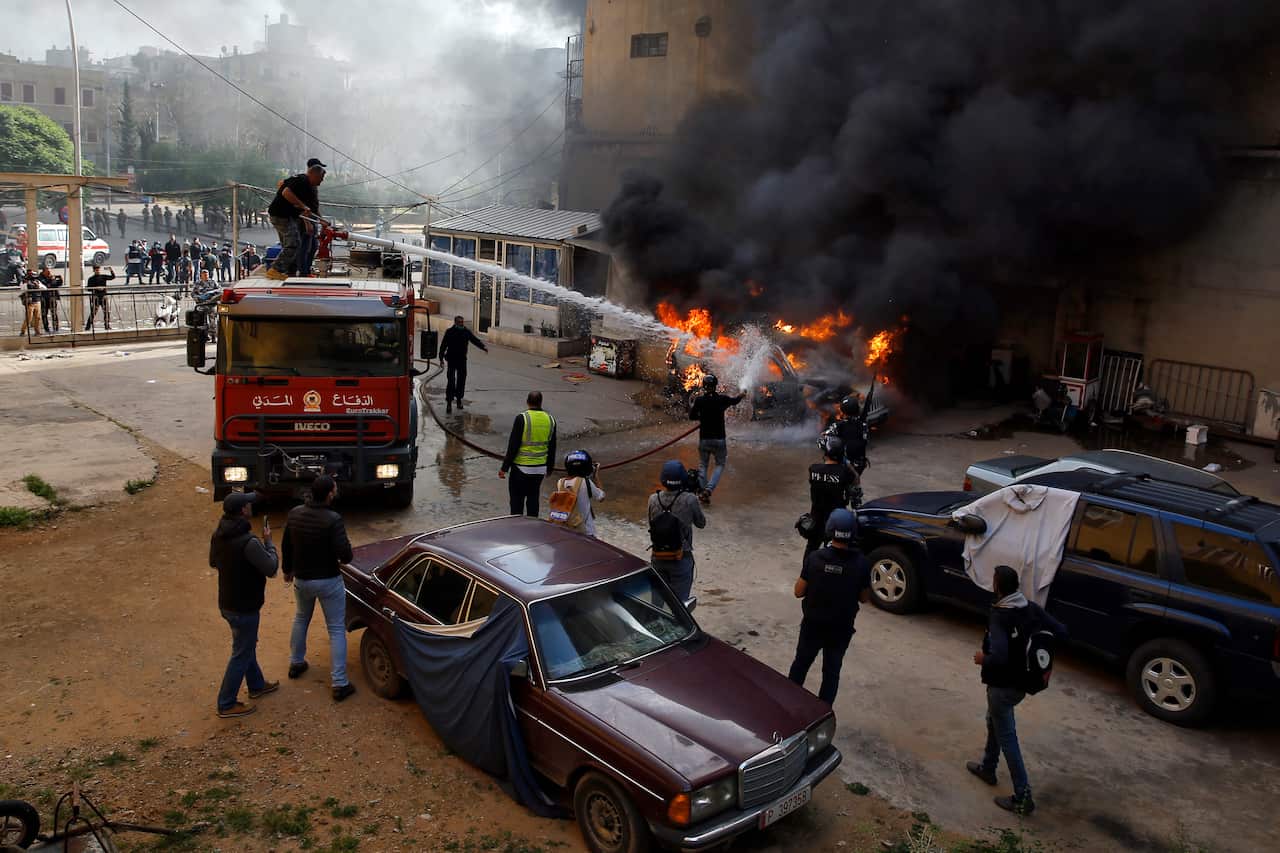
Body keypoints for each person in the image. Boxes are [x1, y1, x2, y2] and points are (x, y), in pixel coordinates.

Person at [967, 564, 1068, 816]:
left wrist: (983, 658)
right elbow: (1061, 632)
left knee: (1006, 735)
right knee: (994, 720)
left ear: (998, 586)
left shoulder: (1001, 615)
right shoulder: (1029, 607)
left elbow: (999, 656)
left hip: (1003, 686)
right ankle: (988, 768)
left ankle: (1023, 797)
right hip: (1023, 682)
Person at [282, 475, 356, 702]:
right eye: (334, 490)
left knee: (301, 618)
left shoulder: (294, 514)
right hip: (328, 581)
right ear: (329, 494)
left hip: (302, 580)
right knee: (335, 629)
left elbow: (286, 545)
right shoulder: (333, 519)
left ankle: (296, 663)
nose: (335, 493)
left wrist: (288, 569)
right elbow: (345, 555)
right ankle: (339, 682)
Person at [787, 508, 871, 705]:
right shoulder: (861, 563)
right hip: (841, 629)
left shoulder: (815, 558)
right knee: (831, 673)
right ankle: (823, 715)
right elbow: (864, 597)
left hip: (812, 626)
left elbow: (798, 591)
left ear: (829, 530)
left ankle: (787, 706)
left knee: (800, 666)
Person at [209, 491, 280, 719]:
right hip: (245, 606)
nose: (251, 506)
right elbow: (271, 568)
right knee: (242, 651)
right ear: (243, 511)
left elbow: (213, 562)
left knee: (245, 645)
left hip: (228, 603)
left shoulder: (219, 535)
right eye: (249, 504)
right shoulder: (249, 542)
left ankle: (257, 685)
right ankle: (226, 703)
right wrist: (269, 544)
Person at [646, 460, 705, 601]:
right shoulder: (690, 500)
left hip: (658, 556)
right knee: (681, 606)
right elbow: (701, 523)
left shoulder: (653, 499)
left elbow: (650, 522)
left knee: (658, 602)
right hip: (681, 557)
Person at [688, 373, 746, 505]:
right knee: (720, 464)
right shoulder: (722, 399)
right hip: (719, 439)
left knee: (703, 465)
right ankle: (708, 490)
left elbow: (691, 417)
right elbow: (735, 401)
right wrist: (742, 394)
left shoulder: (699, 401)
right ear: (715, 386)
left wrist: (702, 418)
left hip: (704, 439)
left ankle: (703, 492)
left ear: (704, 386)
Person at [266, 158, 328, 281]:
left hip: (289, 217)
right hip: (280, 215)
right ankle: (276, 269)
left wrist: (322, 221)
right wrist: (302, 206)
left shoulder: (311, 188)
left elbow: (313, 208)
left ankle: (288, 272)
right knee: (294, 243)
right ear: (313, 174)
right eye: (320, 178)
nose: (321, 182)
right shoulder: (301, 180)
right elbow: (286, 192)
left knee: (290, 245)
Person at [499, 391, 556, 517]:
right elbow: (552, 446)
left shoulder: (522, 418)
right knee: (533, 499)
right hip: (540, 469)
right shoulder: (551, 420)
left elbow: (513, 446)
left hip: (521, 468)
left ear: (527, 402)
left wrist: (504, 468)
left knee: (516, 502)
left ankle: (517, 529)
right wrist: (549, 468)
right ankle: (532, 528)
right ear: (541, 402)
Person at [805, 435, 854, 562]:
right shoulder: (844, 472)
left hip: (816, 517)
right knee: (836, 554)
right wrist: (847, 464)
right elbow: (855, 479)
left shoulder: (813, 469)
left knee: (811, 550)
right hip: (835, 520)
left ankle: (807, 574)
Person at [438, 315, 488, 413]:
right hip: (452, 360)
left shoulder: (466, 332)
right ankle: (449, 402)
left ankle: (459, 400)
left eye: (462, 322)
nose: (461, 324)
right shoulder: (450, 332)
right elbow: (443, 346)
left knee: (461, 381)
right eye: (459, 322)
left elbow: (474, 340)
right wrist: (441, 359)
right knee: (451, 381)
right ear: (455, 323)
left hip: (462, 360)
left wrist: (483, 347)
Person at [551, 450, 605, 536]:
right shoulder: (585, 482)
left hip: (568, 529)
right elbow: (601, 497)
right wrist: (596, 476)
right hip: (586, 531)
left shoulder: (560, 482)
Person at [84, 264, 115, 331]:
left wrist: (111, 270)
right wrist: (96, 288)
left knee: (106, 312)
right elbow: (89, 289)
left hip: (103, 297)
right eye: (96, 270)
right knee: (93, 312)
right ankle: (88, 326)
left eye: (98, 269)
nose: (97, 271)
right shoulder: (91, 279)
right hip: (96, 297)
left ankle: (107, 325)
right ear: (94, 270)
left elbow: (113, 277)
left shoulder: (103, 276)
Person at [19, 271, 45, 336]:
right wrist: (27, 283)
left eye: (33, 274)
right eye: (30, 274)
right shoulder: (24, 281)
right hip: (30, 302)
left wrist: (37, 285)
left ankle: (37, 331)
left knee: (38, 317)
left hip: (37, 301)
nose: (32, 276)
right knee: (29, 318)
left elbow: (44, 288)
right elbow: (23, 289)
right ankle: (23, 331)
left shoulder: (37, 281)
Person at [38, 266, 61, 333]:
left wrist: (59, 279)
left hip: (52, 297)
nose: (49, 273)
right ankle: (46, 328)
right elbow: (46, 285)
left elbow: (57, 284)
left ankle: (55, 327)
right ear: (43, 271)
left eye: (50, 272)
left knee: (54, 313)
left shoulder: (51, 277)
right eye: (47, 272)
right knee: (44, 314)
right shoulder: (40, 278)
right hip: (44, 298)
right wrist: (51, 279)